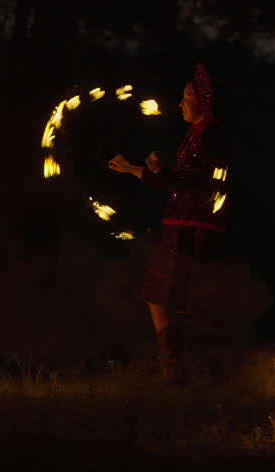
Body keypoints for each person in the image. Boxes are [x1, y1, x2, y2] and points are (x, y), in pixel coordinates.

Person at [109, 63, 229, 385]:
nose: (180, 104)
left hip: (193, 228)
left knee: (178, 301)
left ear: (203, 103)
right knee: (164, 298)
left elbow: (192, 184)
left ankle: (190, 373)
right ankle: (181, 372)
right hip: (183, 225)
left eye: (187, 98)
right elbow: (185, 179)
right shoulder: (197, 136)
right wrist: (159, 171)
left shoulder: (209, 139)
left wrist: (137, 171)